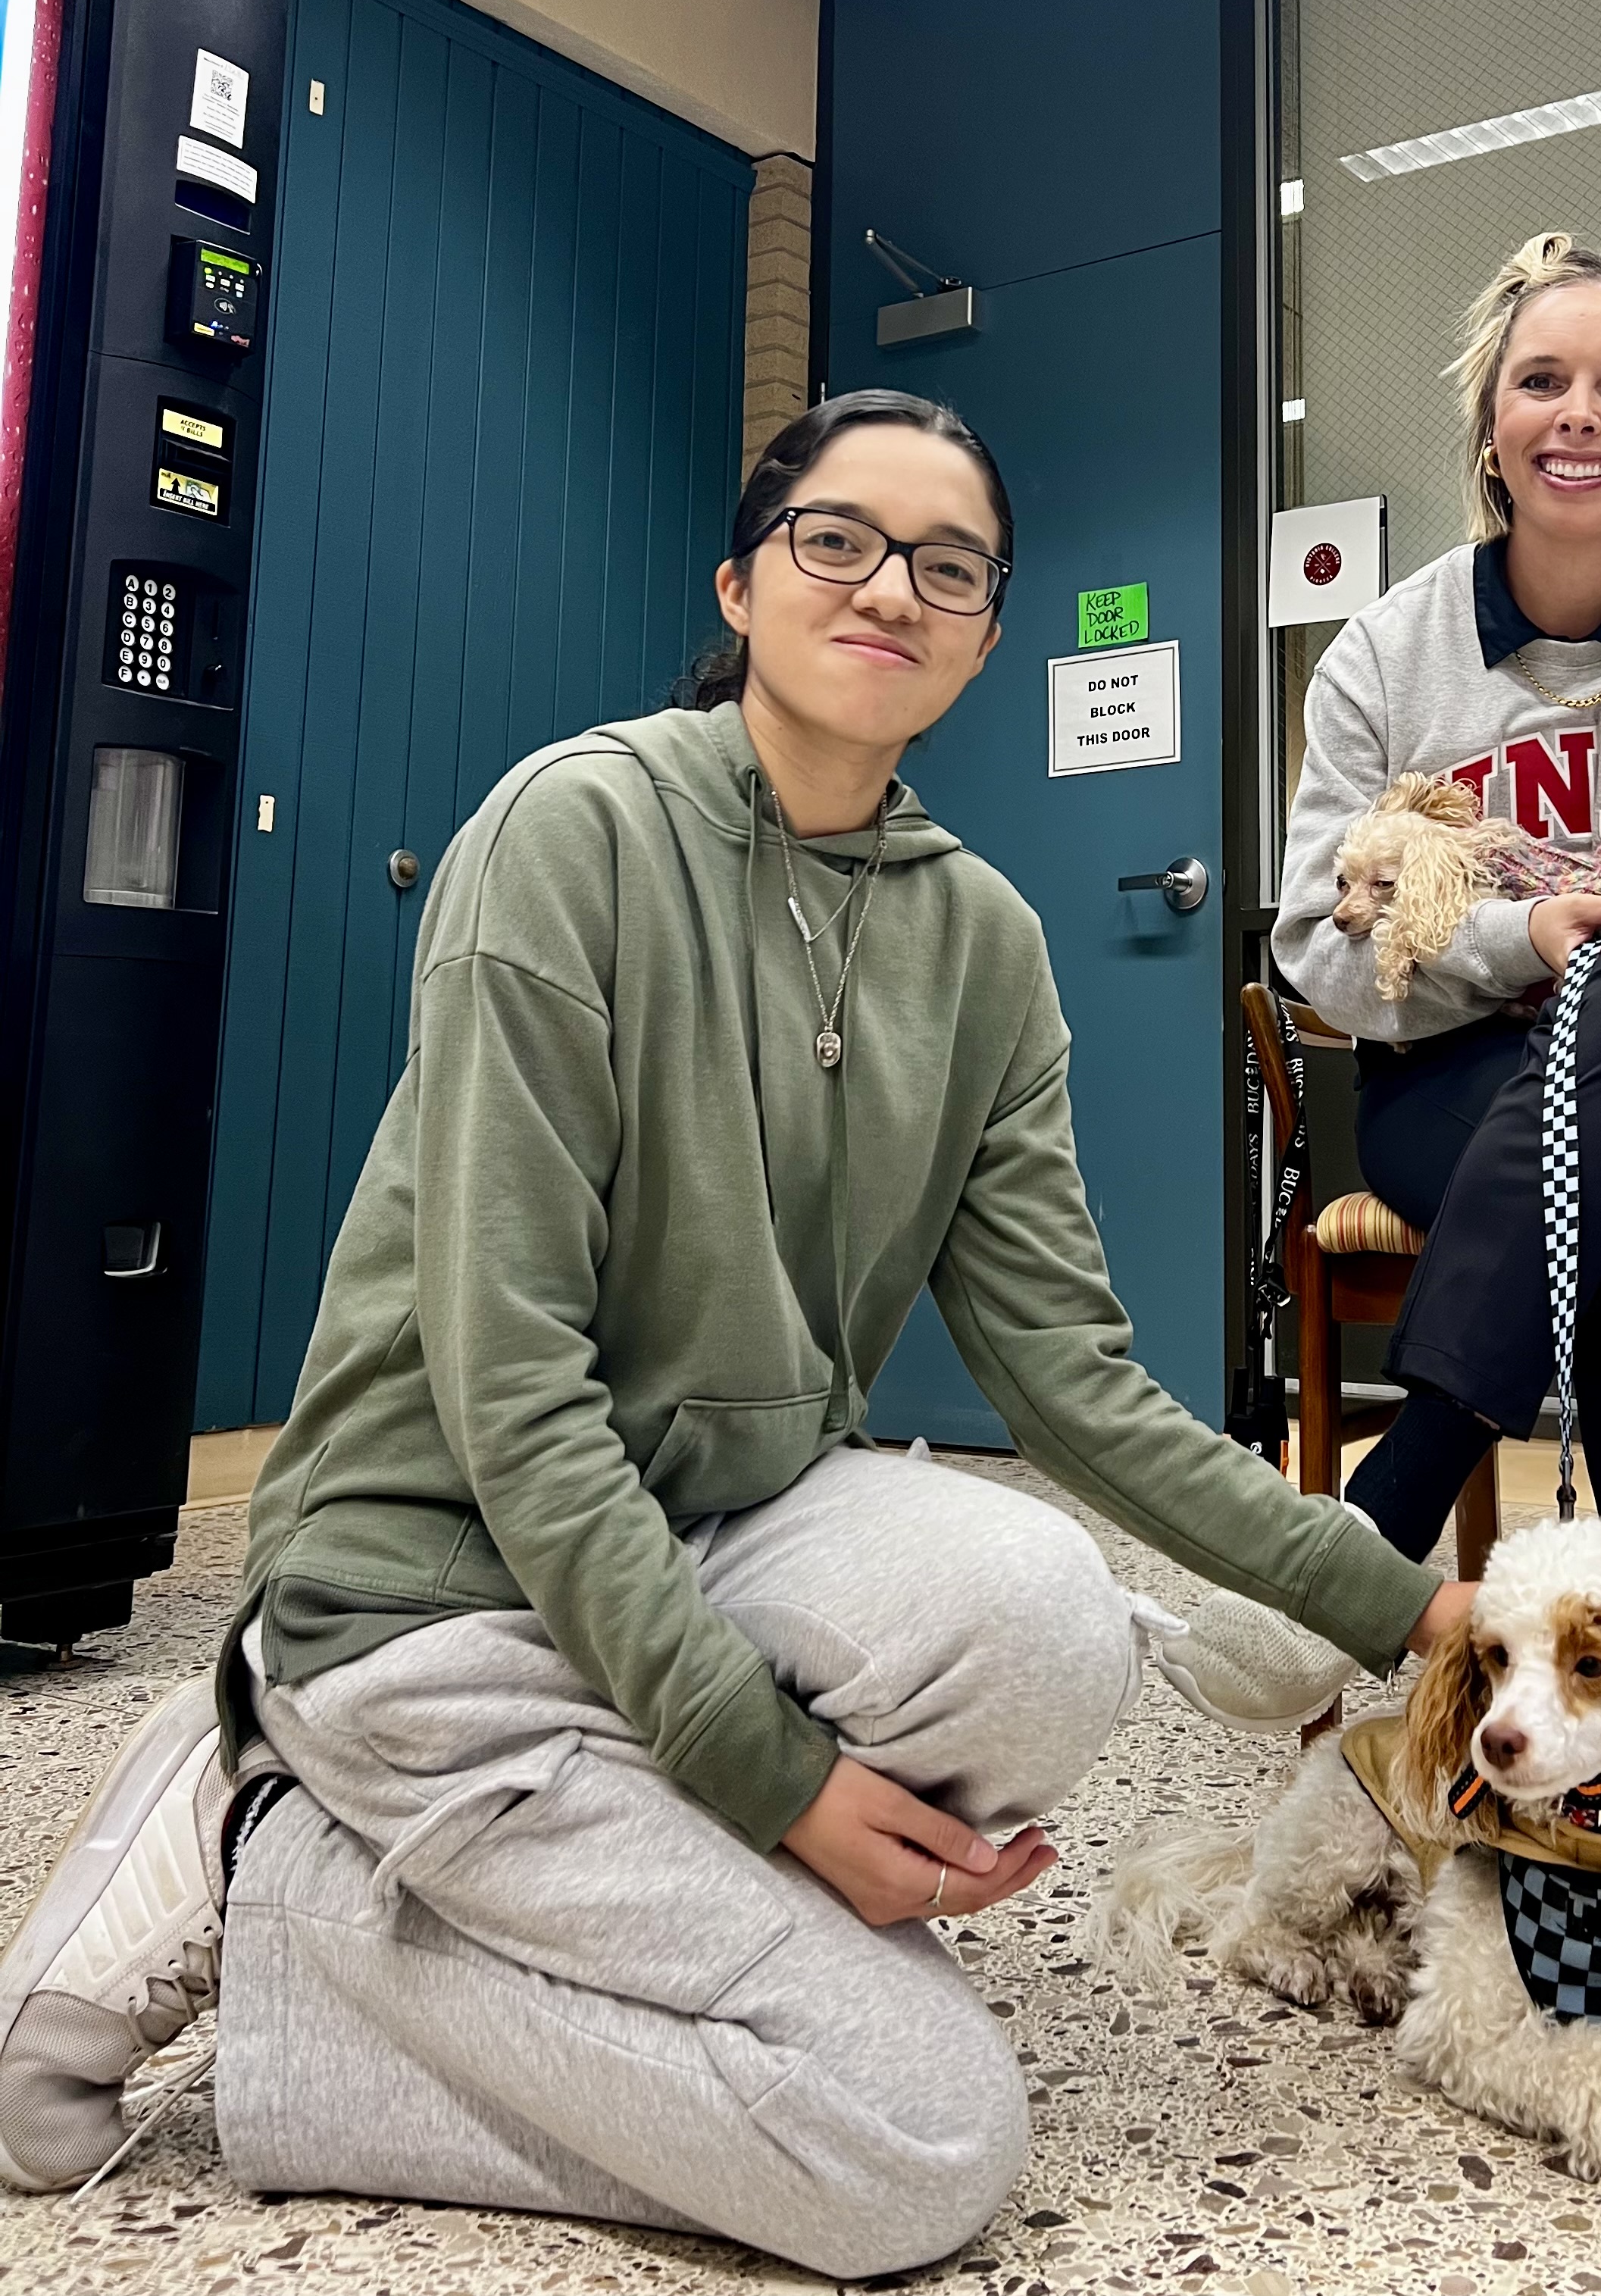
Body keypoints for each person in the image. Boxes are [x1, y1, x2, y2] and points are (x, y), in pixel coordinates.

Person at [0, 389, 1473, 2269]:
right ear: (744, 579)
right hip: (431, 1581)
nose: (891, 587)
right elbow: (513, 1384)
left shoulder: (987, 944)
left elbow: (1079, 1386)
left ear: (988, 630)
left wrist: (1415, 1612)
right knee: (916, 2145)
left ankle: (527, 1853)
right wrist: (769, 1776)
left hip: (702, 1535)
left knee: (1047, 1621)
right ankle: (267, 1853)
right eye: (836, 538)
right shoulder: (573, 832)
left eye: (951, 564)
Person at [1169, 233, 1601, 1782]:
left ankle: (1398, 1488)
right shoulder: (1387, 653)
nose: (1582, 412)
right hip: (1461, 1091)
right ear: (1491, 417)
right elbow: (1316, 945)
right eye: (1543, 379)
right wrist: (1517, 938)